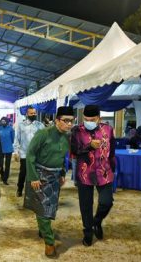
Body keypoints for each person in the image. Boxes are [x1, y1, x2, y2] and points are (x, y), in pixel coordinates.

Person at [24, 106, 74, 258]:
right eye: (66, 121)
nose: (69, 124)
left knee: (50, 207)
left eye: (72, 121)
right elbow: (30, 154)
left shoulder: (66, 136)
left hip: (55, 178)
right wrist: (33, 177)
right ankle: (49, 242)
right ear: (57, 120)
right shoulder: (43, 134)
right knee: (44, 209)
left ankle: (43, 228)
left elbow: (62, 157)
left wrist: (62, 173)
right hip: (39, 176)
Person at [70, 105, 115, 247]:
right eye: (86, 119)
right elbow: (73, 151)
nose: (88, 121)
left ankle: (97, 221)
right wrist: (89, 146)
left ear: (99, 118)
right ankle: (88, 232)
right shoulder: (77, 131)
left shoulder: (108, 129)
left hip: (104, 172)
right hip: (85, 174)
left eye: (92, 119)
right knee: (85, 205)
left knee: (107, 202)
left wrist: (113, 168)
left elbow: (112, 150)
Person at [14, 106, 45, 197]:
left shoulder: (40, 125)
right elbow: (17, 139)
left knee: (36, 172)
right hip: (25, 154)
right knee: (23, 172)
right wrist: (16, 152)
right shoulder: (21, 125)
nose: (33, 115)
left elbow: (44, 140)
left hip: (37, 154)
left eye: (34, 113)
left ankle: (34, 190)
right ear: (27, 114)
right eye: (31, 113)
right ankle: (20, 189)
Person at [0, 117, 15, 185]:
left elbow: (13, 139)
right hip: (0, 149)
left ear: (7, 122)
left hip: (9, 149)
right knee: (0, 164)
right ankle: (2, 175)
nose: (3, 123)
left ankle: (5, 178)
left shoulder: (11, 129)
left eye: (4, 121)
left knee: (7, 165)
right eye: (2, 121)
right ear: (0, 122)